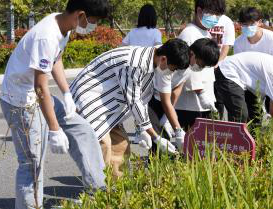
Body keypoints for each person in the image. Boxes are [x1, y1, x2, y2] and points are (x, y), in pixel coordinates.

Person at [0, 0, 109, 209]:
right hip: (20, 101)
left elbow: (56, 60)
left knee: (82, 129)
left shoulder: (63, 26)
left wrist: (67, 93)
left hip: (36, 95)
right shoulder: (46, 36)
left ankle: (98, 190)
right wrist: (54, 128)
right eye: (94, 20)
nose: (94, 26)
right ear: (81, 15)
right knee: (32, 164)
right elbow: (40, 86)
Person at [70, 39, 189, 178]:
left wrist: (142, 128)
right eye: (173, 68)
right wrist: (156, 137)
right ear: (164, 59)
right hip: (91, 99)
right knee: (104, 145)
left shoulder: (154, 59)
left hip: (110, 105)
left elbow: (142, 98)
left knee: (121, 145)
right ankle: (96, 191)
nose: (171, 72)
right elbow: (134, 101)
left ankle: (116, 189)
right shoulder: (136, 64)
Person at [149, 38, 220, 150]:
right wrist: (177, 129)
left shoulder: (189, 67)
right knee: (155, 139)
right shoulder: (176, 59)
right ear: (193, 54)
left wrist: (167, 118)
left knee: (166, 139)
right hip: (151, 98)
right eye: (201, 64)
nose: (200, 68)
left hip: (164, 101)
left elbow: (177, 89)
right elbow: (165, 99)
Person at [174, 0, 225, 129]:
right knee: (191, 144)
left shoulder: (206, 33)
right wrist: (201, 94)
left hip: (203, 101)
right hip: (190, 105)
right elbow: (188, 68)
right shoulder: (189, 34)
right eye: (212, 13)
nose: (214, 18)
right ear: (199, 11)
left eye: (218, 15)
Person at [233, 7, 273, 123]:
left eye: (251, 24)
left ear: (260, 22)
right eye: (244, 24)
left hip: (271, 81)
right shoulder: (239, 42)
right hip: (250, 83)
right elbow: (240, 68)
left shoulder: (272, 39)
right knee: (252, 116)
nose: (247, 27)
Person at [214, 52, 273, 123]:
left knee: (255, 115)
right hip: (228, 72)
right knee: (240, 114)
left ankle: (252, 139)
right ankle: (234, 139)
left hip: (245, 77)